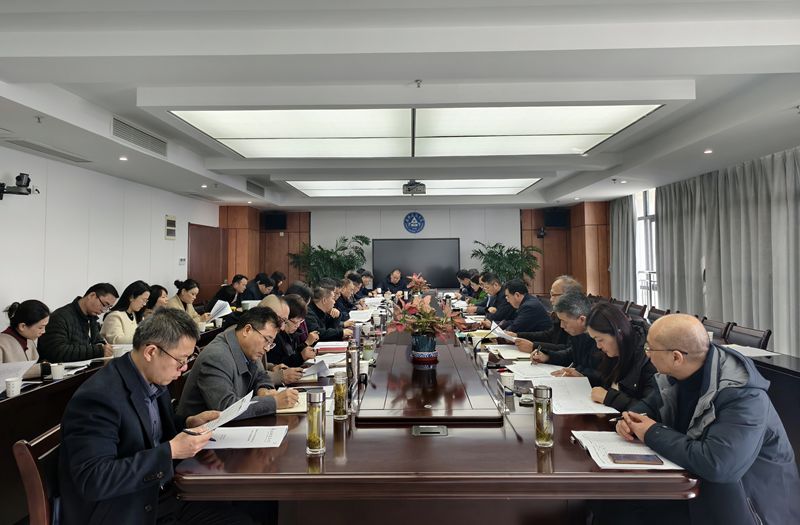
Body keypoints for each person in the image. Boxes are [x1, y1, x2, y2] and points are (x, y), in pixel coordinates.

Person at [59, 308, 262, 525]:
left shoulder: (152, 377)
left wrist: (187, 423)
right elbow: (94, 479)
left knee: (248, 507)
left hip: (159, 495)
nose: (184, 368)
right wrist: (171, 450)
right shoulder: (99, 397)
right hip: (126, 510)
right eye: (181, 360)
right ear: (151, 352)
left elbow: (150, 432)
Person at [611, 314, 800, 525]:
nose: (646, 354)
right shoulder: (675, 375)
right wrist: (630, 420)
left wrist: (651, 432)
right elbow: (650, 406)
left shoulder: (743, 396)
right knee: (616, 505)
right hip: (701, 490)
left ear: (676, 357)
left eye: (650, 348)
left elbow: (718, 465)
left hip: (747, 507)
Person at [176, 307, 299, 423]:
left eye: (271, 343)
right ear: (247, 330)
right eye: (267, 340)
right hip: (201, 432)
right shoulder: (216, 357)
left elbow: (262, 375)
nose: (267, 348)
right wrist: (274, 402)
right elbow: (227, 409)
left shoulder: (247, 347)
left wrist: (264, 390)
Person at [584, 302, 658, 411]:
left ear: (619, 333)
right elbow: (612, 382)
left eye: (600, 340)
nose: (598, 346)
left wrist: (609, 398)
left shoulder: (648, 358)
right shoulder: (615, 352)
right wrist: (583, 376)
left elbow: (649, 411)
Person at [530, 291, 603, 385]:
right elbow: (570, 354)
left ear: (582, 320)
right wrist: (547, 357)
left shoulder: (602, 339)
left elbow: (606, 377)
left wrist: (582, 374)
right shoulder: (580, 334)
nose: (562, 326)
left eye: (564, 321)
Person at [38, 282, 119, 362]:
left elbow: (98, 342)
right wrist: (98, 350)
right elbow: (58, 351)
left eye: (108, 308)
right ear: (92, 295)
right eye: (104, 305)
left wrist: (104, 347)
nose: (104, 311)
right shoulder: (60, 317)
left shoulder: (92, 318)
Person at [512, 275, 582, 354]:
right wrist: (517, 335)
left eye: (553, 295)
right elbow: (549, 335)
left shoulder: (577, 316)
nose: (551, 299)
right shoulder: (559, 313)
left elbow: (569, 350)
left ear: (567, 295)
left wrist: (534, 346)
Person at [0, 300, 49, 378]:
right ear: (22, 326)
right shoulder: (2, 343)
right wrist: (40, 369)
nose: (44, 331)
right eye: (40, 327)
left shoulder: (29, 340)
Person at [268, 294, 317, 368]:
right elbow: (278, 364)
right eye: (294, 322)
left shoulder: (294, 333)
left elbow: (293, 353)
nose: (297, 325)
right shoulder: (275, 336)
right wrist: (301, 356)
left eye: (300, 321)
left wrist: (304, 348)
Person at [101, 280, 150, 344]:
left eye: (146, 301)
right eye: (143, 300)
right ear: (131, 297)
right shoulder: (114, 316)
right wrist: (145, 339)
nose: (144, 304)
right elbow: (117, 340)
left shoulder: (135, 316)